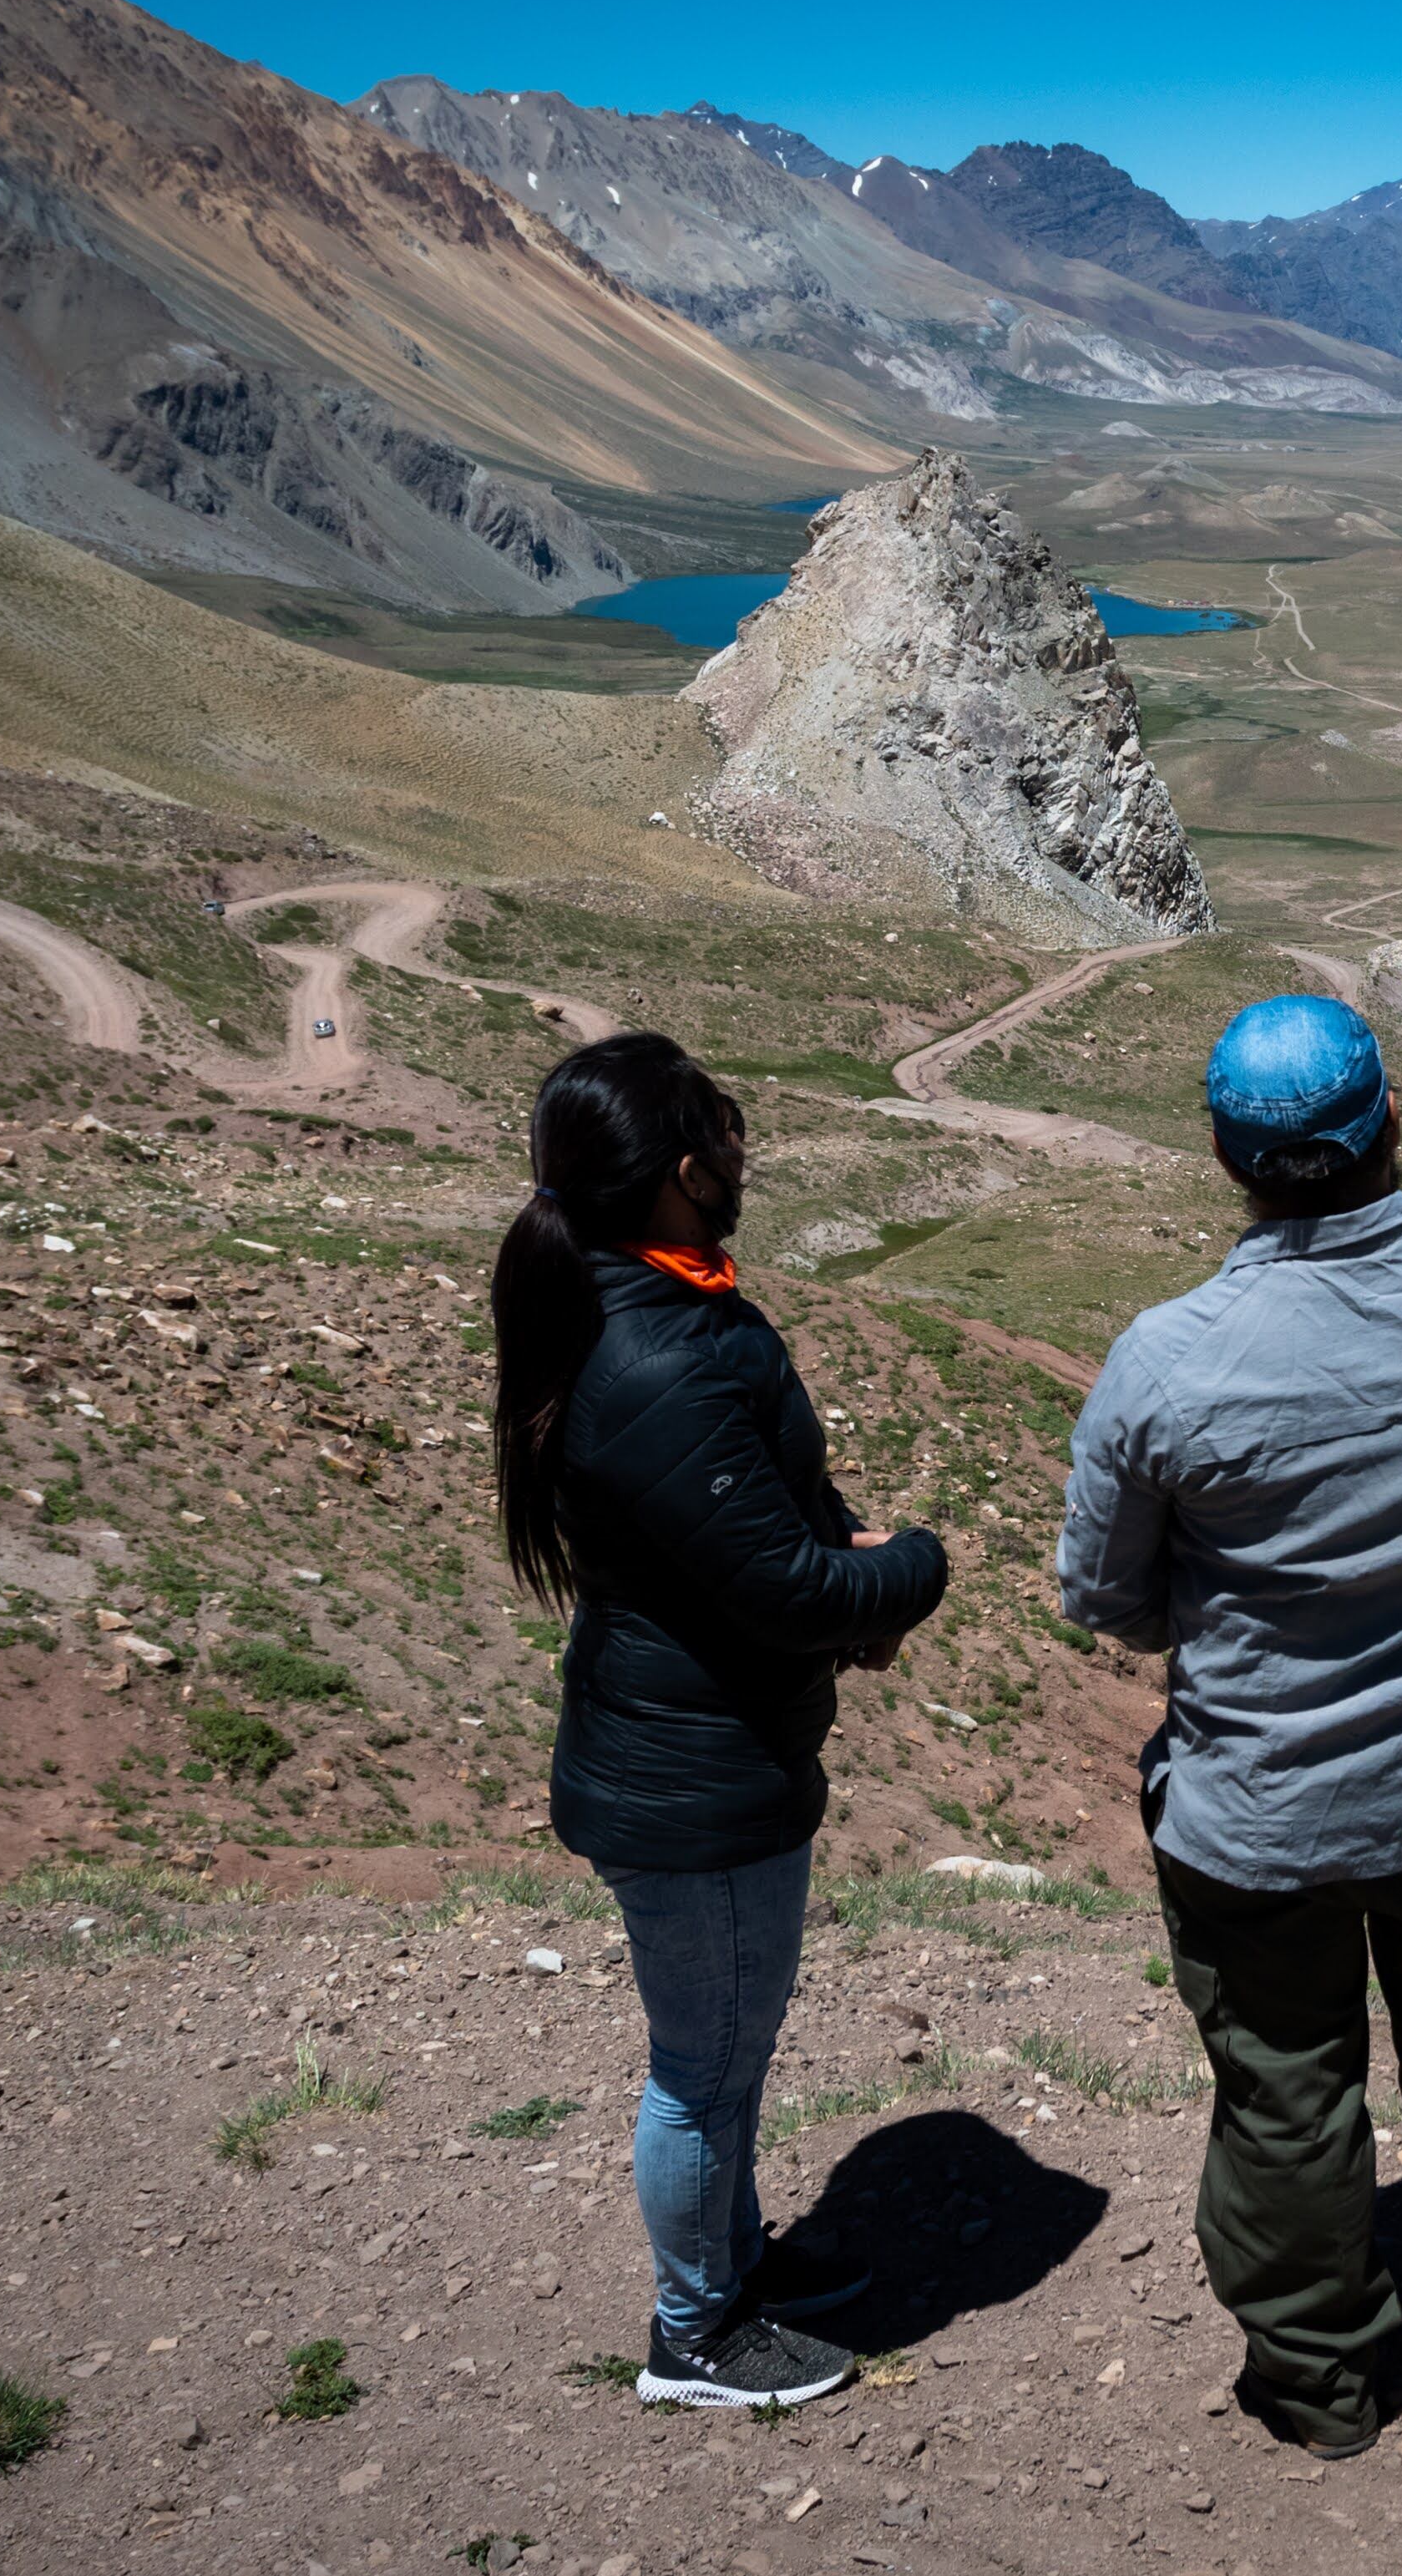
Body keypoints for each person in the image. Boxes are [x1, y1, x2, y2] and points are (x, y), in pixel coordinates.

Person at [1059, 994, 1402, 2457]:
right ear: (1384, 1124)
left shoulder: (1168, 1362)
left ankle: (1321, 2386)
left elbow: (1106, 1596)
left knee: (1287, 2092)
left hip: (1257, 1814)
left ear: (1227, 1157)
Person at [490, 1032, 950, 2411]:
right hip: (694, 1783)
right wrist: (908, 1567)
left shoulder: (657, 1310)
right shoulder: (658, 1359)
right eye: (728, 1133)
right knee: (704, 2067)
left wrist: (832, 1582)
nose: (745, 1150)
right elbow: (781, 1579)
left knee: (727, 2050)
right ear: (686, 1170)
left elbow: (747, 1529)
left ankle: (736, 2264)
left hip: (693, 1747)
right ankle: (695, 2335)